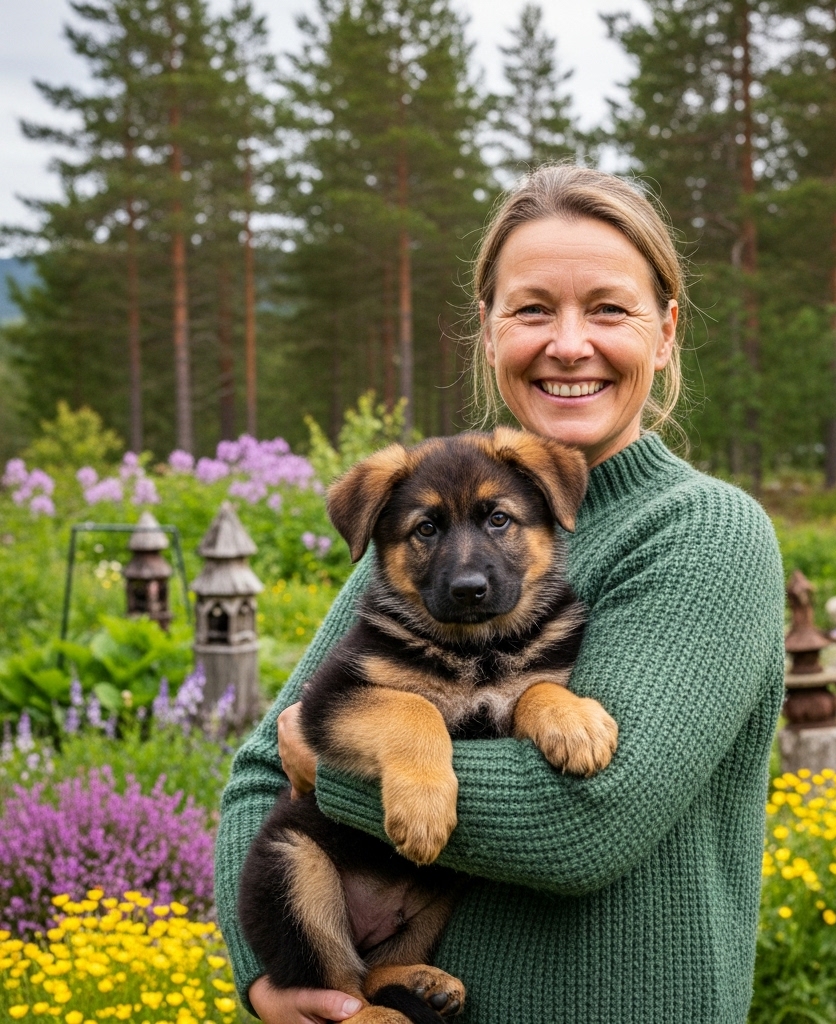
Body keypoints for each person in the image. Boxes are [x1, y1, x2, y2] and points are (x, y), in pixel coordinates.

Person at [214, 165, 785, 1024]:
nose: (567, 342)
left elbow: (586, 820)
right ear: (487, 332)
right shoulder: (417, 544)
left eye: (607, 307)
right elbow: (264, 767)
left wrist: (330, 769)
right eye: (531, 309)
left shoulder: (707, 535)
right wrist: (273, 983)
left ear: (665, 331)